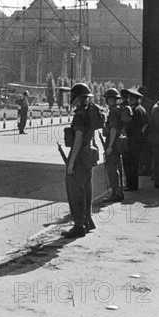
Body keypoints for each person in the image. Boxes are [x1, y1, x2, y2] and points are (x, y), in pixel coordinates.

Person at [62, 83, 96, 239]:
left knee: (75, 190)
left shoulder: (79, 116)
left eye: (73, 96)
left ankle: (78, 226)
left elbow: (78, 140)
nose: (72, 99)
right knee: (86, 189)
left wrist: (71, 162)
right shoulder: (89, 113)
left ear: (79, 98)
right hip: (89, 155)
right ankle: (88, 221)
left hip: (80, 156)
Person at [102, 88, 124, 202]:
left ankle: (116, 193)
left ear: (110, 100)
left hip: (113, 143)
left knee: (111, 168)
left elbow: (114, 129)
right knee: (117, 167)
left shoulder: (113, 112)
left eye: (107, 98)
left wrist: (110, 146)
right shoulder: (118, 110)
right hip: (116, 143)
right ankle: (119, 192)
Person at [125, 88, 148, 191]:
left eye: (129, 98)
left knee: (130, 164)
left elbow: (129, 126)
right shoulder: (142, 109)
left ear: (131, 99)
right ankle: (133, 185)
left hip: (132, 140)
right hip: (139, 139)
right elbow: (147, 122)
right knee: (135, 163)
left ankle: (131, 185)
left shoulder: (133, 110)